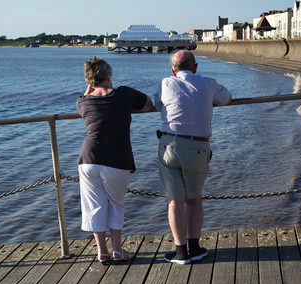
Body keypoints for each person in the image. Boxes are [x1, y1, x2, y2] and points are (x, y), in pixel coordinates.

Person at [154, 50, 232, 264]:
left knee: (174, 201)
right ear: (195, 67)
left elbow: (157, 105)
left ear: (172, 70)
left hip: (170, 144)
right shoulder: (208, 83)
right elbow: (227, 99)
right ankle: (195, 248)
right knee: (195, 199)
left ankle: (180, 253)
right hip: (199, 146)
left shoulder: (165, 83)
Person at [77, 56, 153, 263]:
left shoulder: (83, 102)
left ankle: (102, 251)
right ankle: (117, 250)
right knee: (116, 204)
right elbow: (148, 104)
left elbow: (85, 98)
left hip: (88, 159)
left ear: (89, 82)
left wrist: (90, 87)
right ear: (109, 75)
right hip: (117, 160)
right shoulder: (124, 94)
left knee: (94, 206)